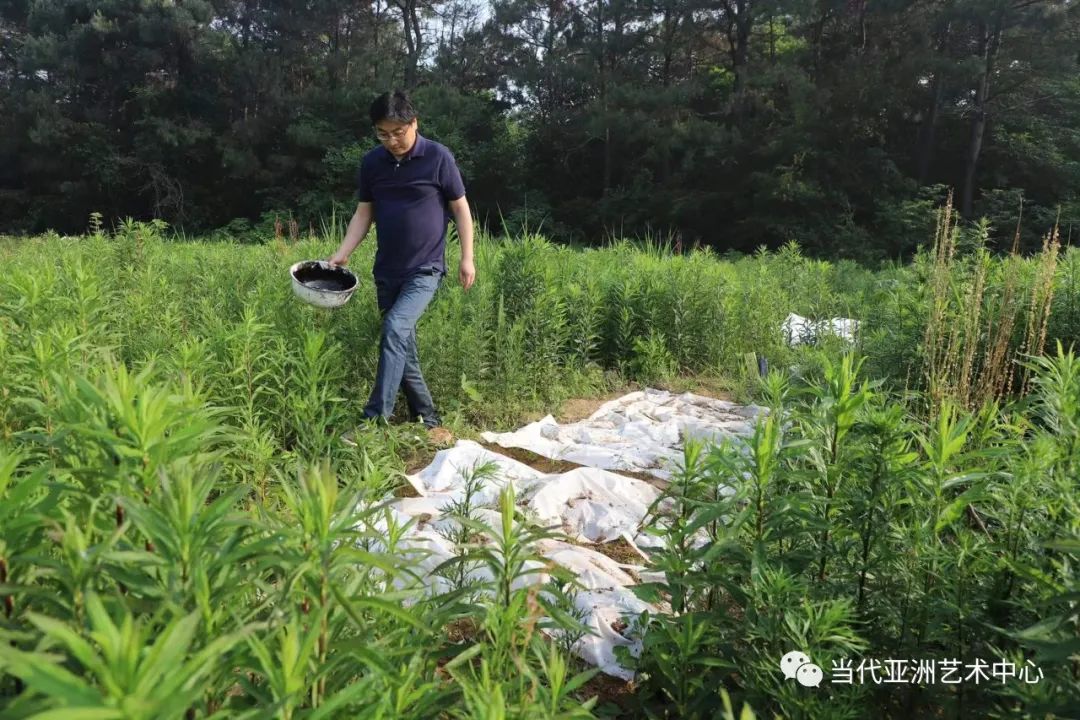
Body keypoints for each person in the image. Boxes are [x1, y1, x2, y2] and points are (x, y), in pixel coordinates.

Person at [328, 90, 475, 444]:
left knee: (395, 329)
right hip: (387, 271)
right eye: (383, 133)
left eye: (398, 132)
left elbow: (460, 208)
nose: (392, 140)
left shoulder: (437, 157)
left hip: (425, 269)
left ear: (414, 123)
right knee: (402, 343)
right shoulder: (372, 163)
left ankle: (374, 421)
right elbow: (365, 212)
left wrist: (467, 257)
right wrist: (343, 252)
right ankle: (429, 419)